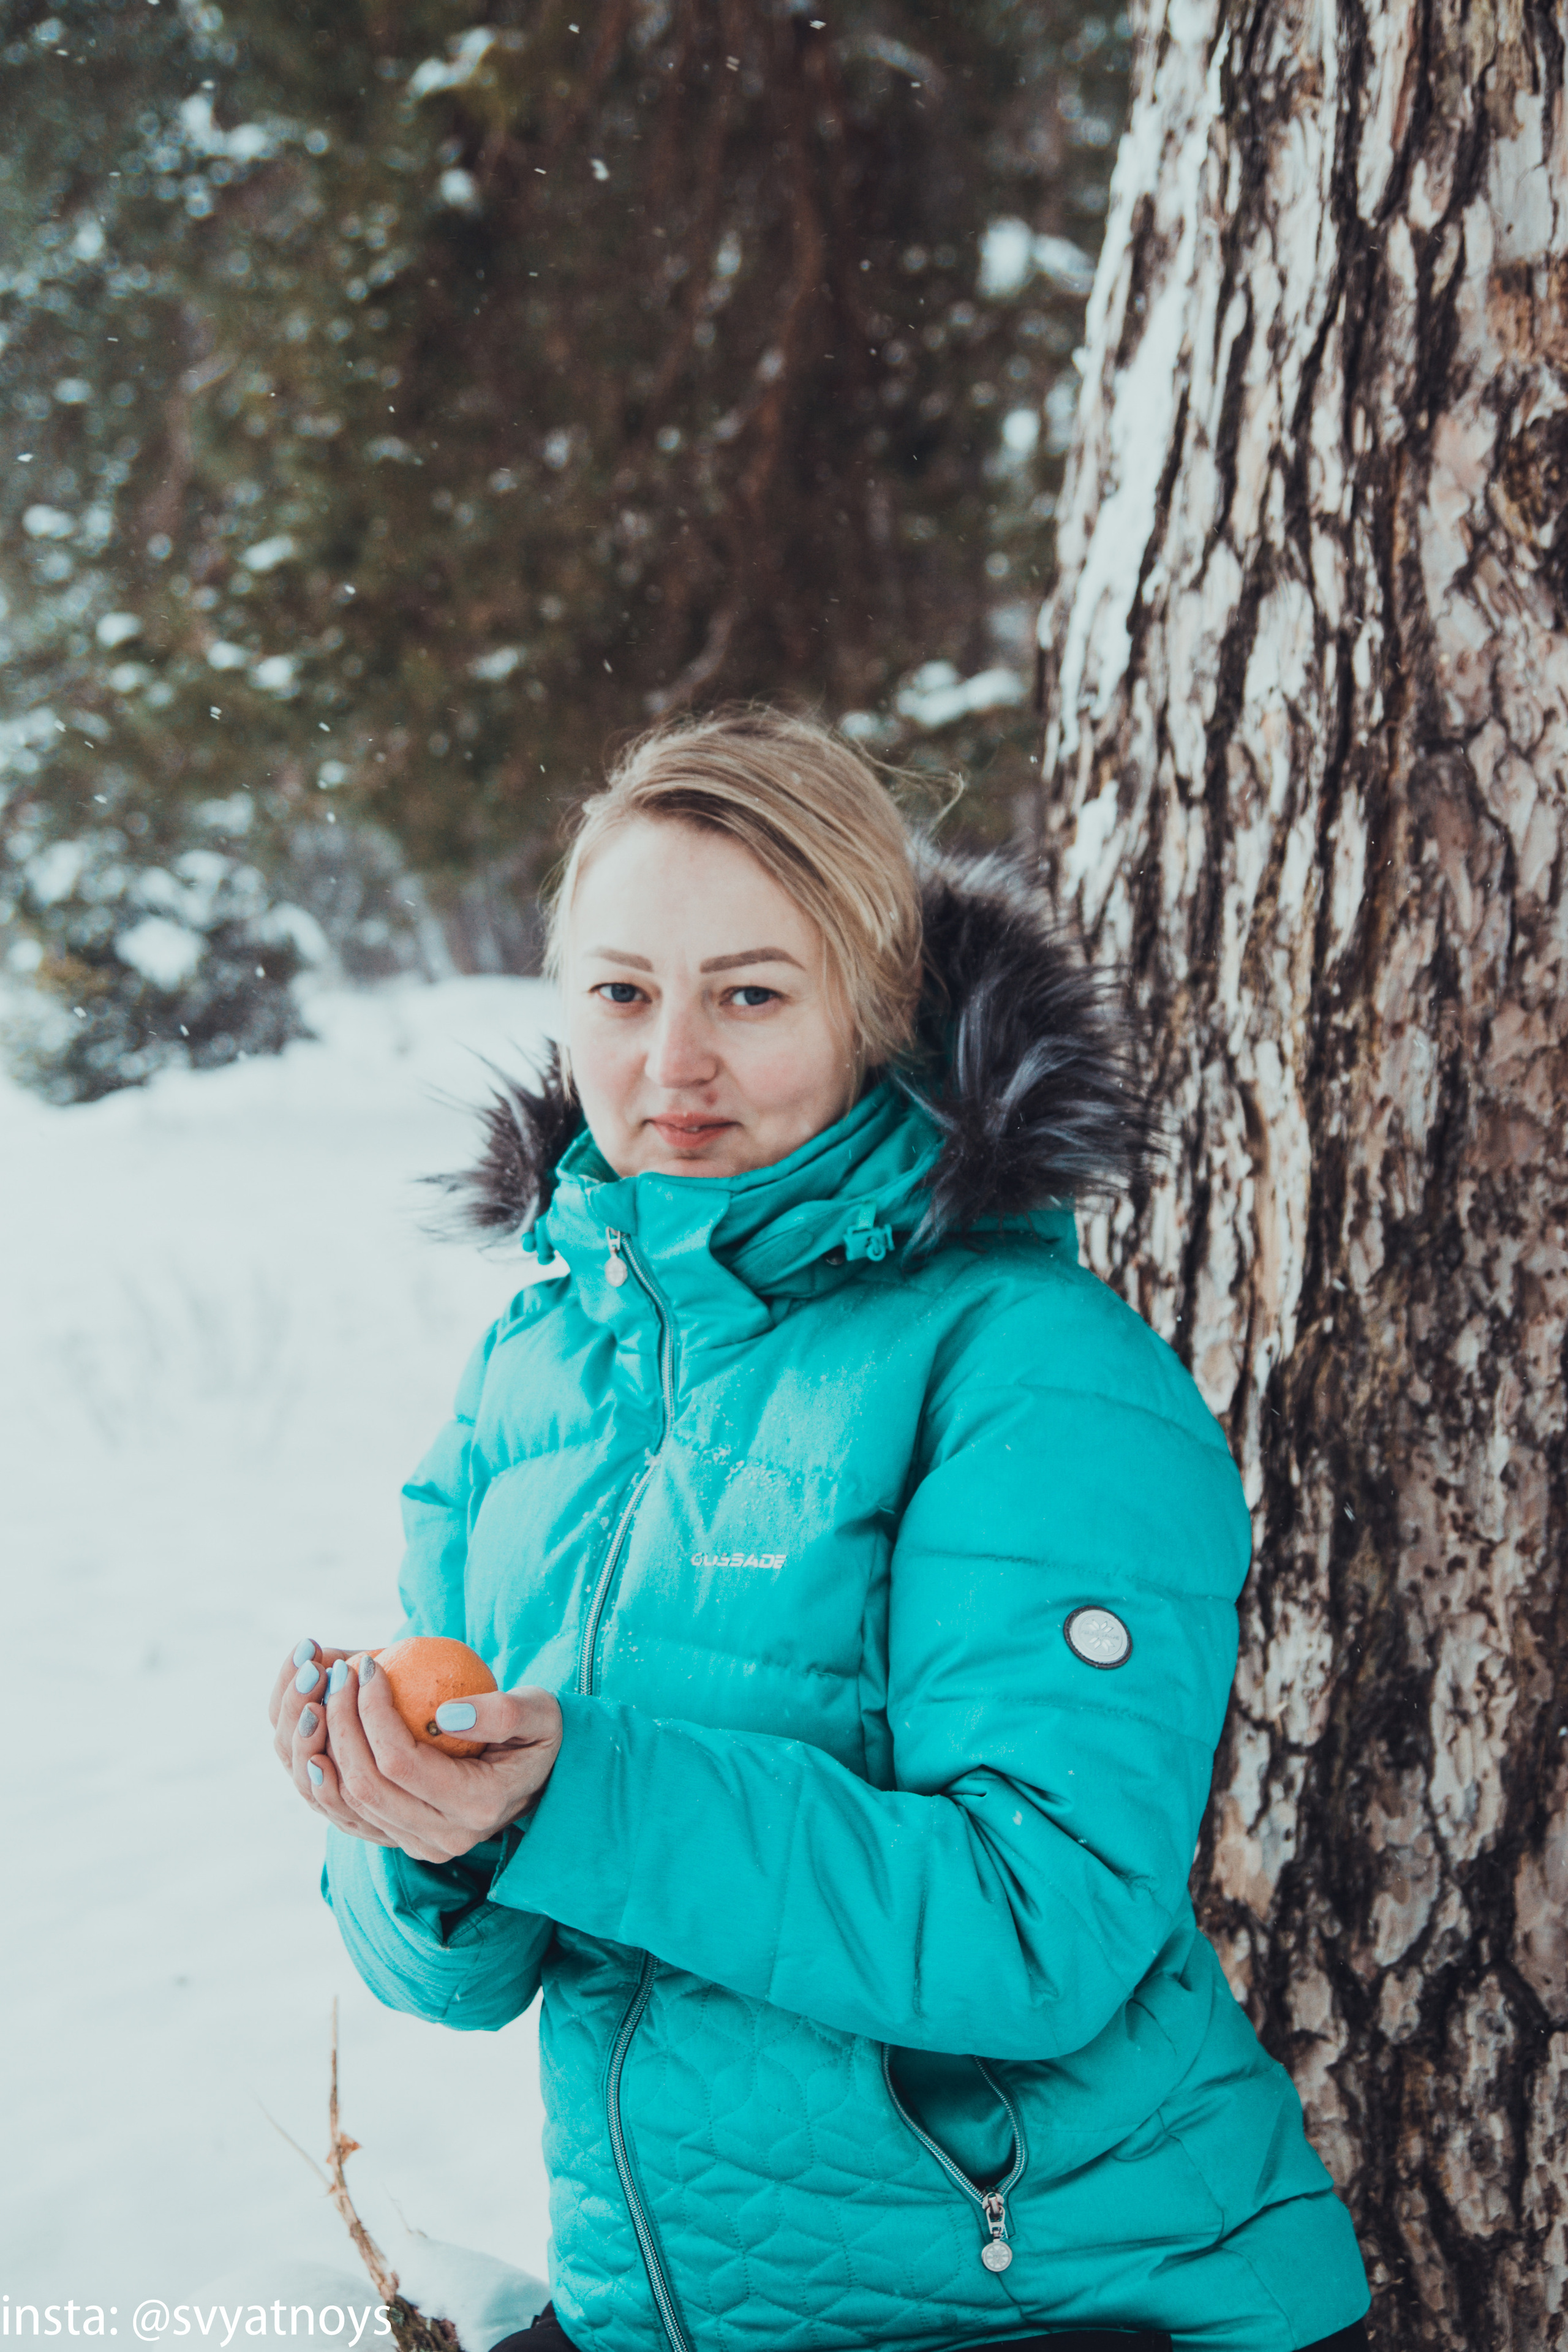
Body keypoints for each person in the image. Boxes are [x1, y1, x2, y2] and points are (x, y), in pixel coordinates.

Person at [268, 710, 1371, 2352]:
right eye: (623, 993)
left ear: (873, 1006)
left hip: (1077, 2306)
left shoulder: (1030, 1369)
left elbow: (1035, 1925)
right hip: (692, 2305)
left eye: (753, 995)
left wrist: (578, 1790)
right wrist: (424, 1831)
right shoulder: (539, 1369)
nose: (672, 1063)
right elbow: (461, 1981)